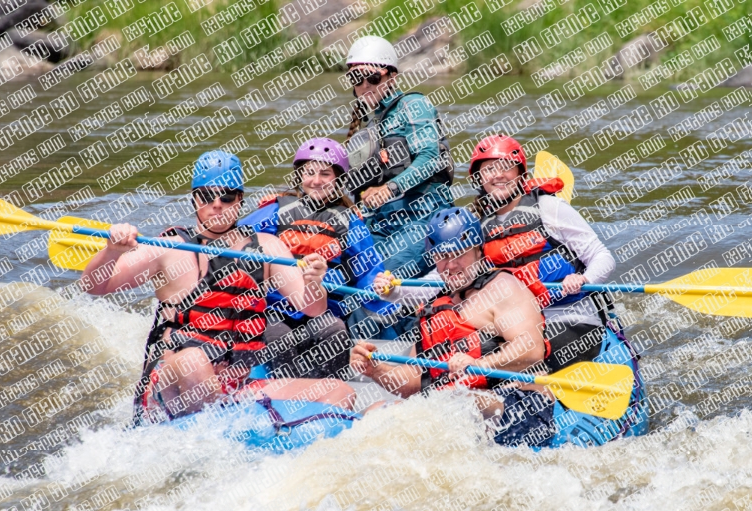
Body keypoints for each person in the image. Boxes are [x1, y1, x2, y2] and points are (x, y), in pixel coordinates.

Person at [80, 150, 356, 424]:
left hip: (234, 387)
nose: (216, 204)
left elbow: (313, 307)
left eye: (226, 196)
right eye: (206, 195)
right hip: (173, 379)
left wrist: (314, 281)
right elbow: (94, 285)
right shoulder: (170, 247)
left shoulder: (265, 247)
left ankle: (256, 430)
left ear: (239, 200)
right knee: (194, 363)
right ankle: (233, 426)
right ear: (194, 199)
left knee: (340, 393)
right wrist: (111, 251)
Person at [350, 207, 558, 448]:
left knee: (456, 402)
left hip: (520, 406)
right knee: (377, 413)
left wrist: (479, 365)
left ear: (479, 251)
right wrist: (374, 369)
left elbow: (532, 350)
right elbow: (413, 382)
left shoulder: (503, 288)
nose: (451, 264)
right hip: (454, 406)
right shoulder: (438, 305)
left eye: (460, 253)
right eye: (442, 256)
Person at [237, 138, 394, 378]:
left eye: (325, 174)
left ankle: (329, 398)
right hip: (277, 310)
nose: (317, 181)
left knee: (335, 331)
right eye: (310, 173)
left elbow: (367, 271)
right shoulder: (274, 211)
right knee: (279, 336)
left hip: (324, 311)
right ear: (300, 174)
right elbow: (237, 238)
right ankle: (281, 395)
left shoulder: (348, 221)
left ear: (338, 179)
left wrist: (381, 289)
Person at [467, 134, 618, 367]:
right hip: (516, 327)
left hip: (570, 317)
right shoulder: (479, 225)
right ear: (479, 178)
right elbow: (452, 273)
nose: (497, 174)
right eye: (489, 169)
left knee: (538, 356)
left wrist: (583, 277)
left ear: (520, 174)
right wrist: (394, 290)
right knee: (473, 349)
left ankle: (532, 392)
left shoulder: (549, 207)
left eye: (506, 166)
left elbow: (602, 256)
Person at [342, 35, 455, 336]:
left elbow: (430, 159)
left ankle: (399, 355)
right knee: (337, 267)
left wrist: (388, 190)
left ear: (391, 76)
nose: (364, 86)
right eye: (356, 79)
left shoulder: (413, 105)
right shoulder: (370, 125)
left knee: (378, 282)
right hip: (378, 225)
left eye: (372, 78)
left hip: (420, 222)